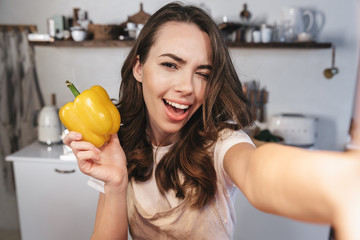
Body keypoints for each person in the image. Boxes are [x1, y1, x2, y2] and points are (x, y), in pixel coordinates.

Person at [64, 2, 360, 240]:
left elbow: (256, 172)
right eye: (170, 65)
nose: (188, 88)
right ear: (139, 67)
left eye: (203, 73)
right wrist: (115, 183)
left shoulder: (221, 141)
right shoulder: (120, 141)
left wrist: (336, 181)